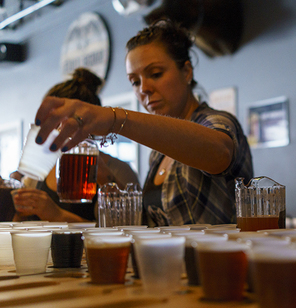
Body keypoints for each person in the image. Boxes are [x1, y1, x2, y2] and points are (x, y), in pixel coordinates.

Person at [32, 20, 253, 227]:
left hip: (216, 266)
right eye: (135, 81)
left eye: (155, 74)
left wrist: (115, 119)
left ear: (186, 72)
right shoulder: (157, 154)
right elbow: (147, 228)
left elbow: (219, 152)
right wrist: (107, 180)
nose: (144, 88)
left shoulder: (217, 122)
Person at [11, 68, 140, 222]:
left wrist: (56, 215)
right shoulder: (42, 168)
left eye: (55, 118)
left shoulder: (117, 170)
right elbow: (20, 221)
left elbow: (125, 230)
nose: (49, 126)